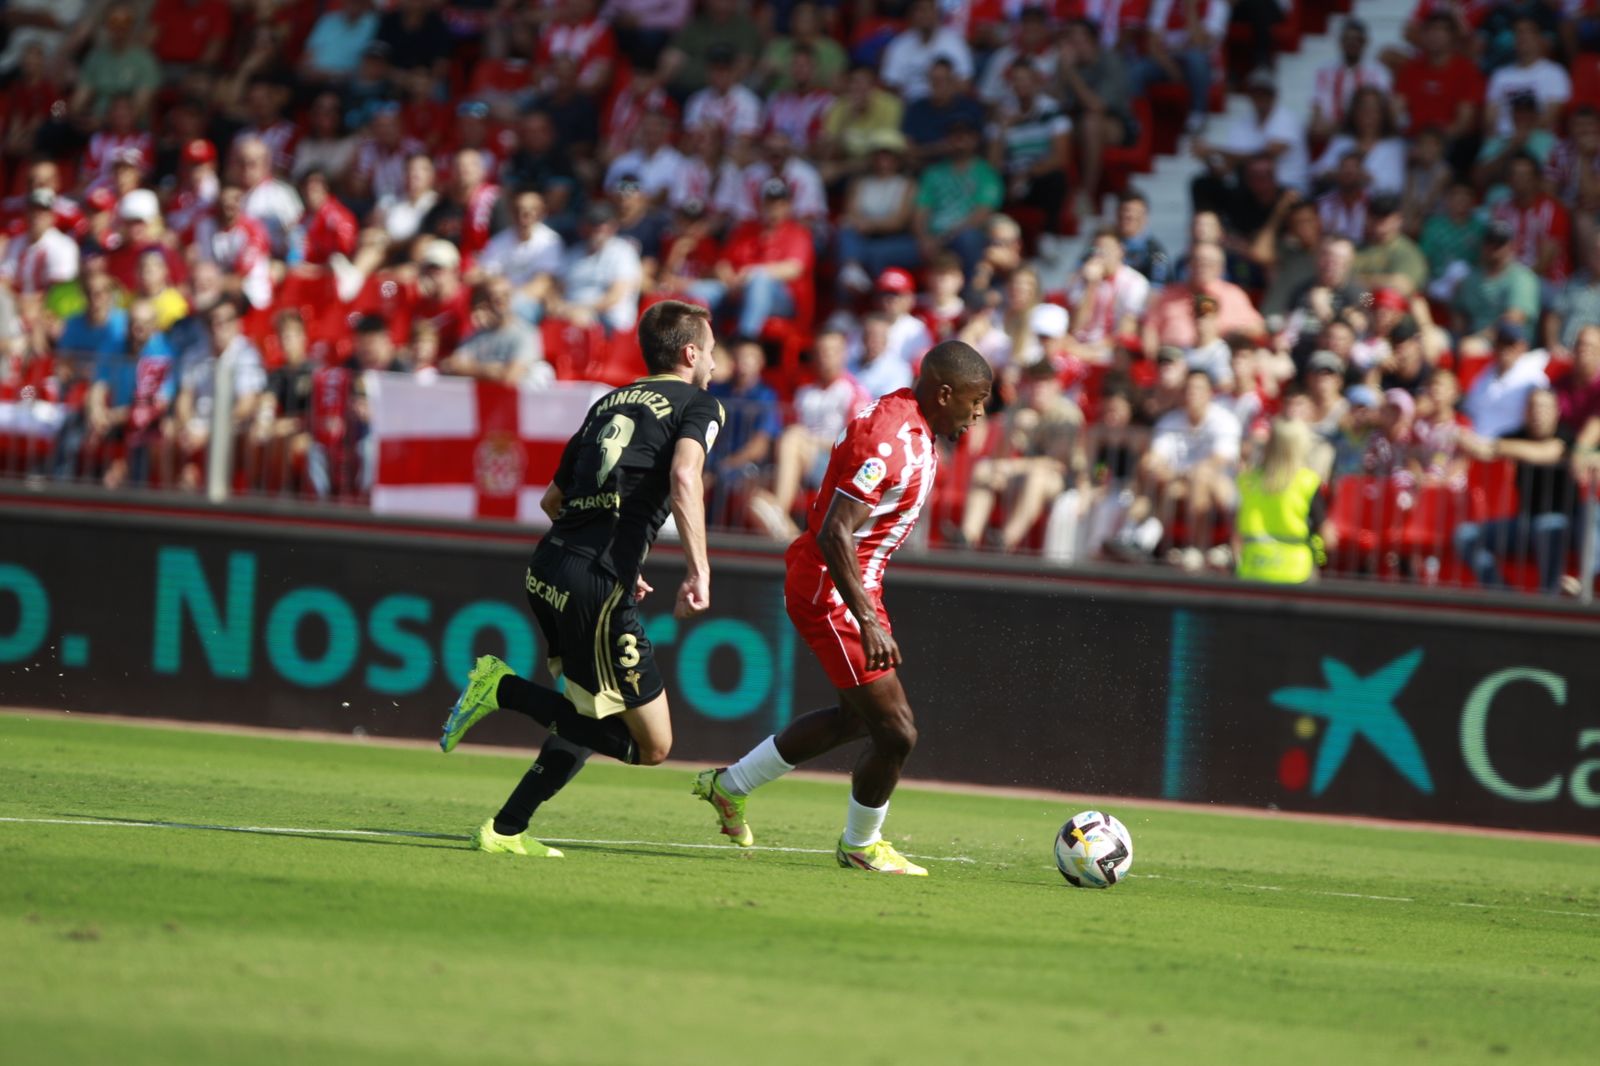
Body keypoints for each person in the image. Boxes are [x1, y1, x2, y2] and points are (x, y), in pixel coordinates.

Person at [438, 300, 726, 857]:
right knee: (652, 747)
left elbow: (553, 500)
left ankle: (507, 829)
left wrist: (616, 559)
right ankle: (502, 688)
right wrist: (699, 569)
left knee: (591, 711)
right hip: (595, 582)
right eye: (711, 351)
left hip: (550, 565)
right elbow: (685, 476)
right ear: (691, 354)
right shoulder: (700, 404)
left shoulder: (609, 401)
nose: (715, 362)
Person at [693, 341, 993, 875]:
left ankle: (730, 785)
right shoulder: (889, 439)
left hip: (853, 587)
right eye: (976, 401)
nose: (979, 413)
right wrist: (868, 621)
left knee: (857, 719)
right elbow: (835, 531)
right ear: (946, 393)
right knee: (897, 730)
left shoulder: (912, 425)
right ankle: (861, 845)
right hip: (830, 589)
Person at [1454, 389, 1576, 594]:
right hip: (1524, 523)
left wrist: (1498, 447)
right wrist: (1461, 436)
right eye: (1533, 407)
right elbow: (1484, 450)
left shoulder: (1567, 434)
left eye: (1544, 407)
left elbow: (1548, 452)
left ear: (1557, 411)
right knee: (1465, 535)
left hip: (1561, 523)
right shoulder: (1516, 435)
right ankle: (1503, 593)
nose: (1538, 412)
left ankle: (1550, 600)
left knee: (1547, 526)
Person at [1234, 418, 1327, 584]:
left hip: (1253, 569)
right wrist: (1320, 560)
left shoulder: (1247, 481)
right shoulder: (1308, 482)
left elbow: (1236, 532)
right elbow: (1324, 535)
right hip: (1296, 572)